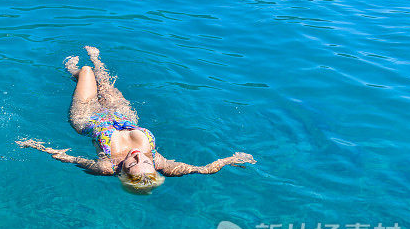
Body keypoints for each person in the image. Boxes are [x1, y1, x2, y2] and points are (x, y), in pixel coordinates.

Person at [17, 46, 256, 194]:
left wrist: (35, 145)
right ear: (154, 169)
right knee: (103, 77)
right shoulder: (161, 163)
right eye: (145, 161)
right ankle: (97, 59)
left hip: (88, 118)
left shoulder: (107, 167)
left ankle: (74, 71)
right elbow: (203, 170)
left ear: (122, 173)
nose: (138, 155)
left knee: (87, 73)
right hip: (123, 116)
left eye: (133, 163)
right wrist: (231, 159)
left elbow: (69, 158)